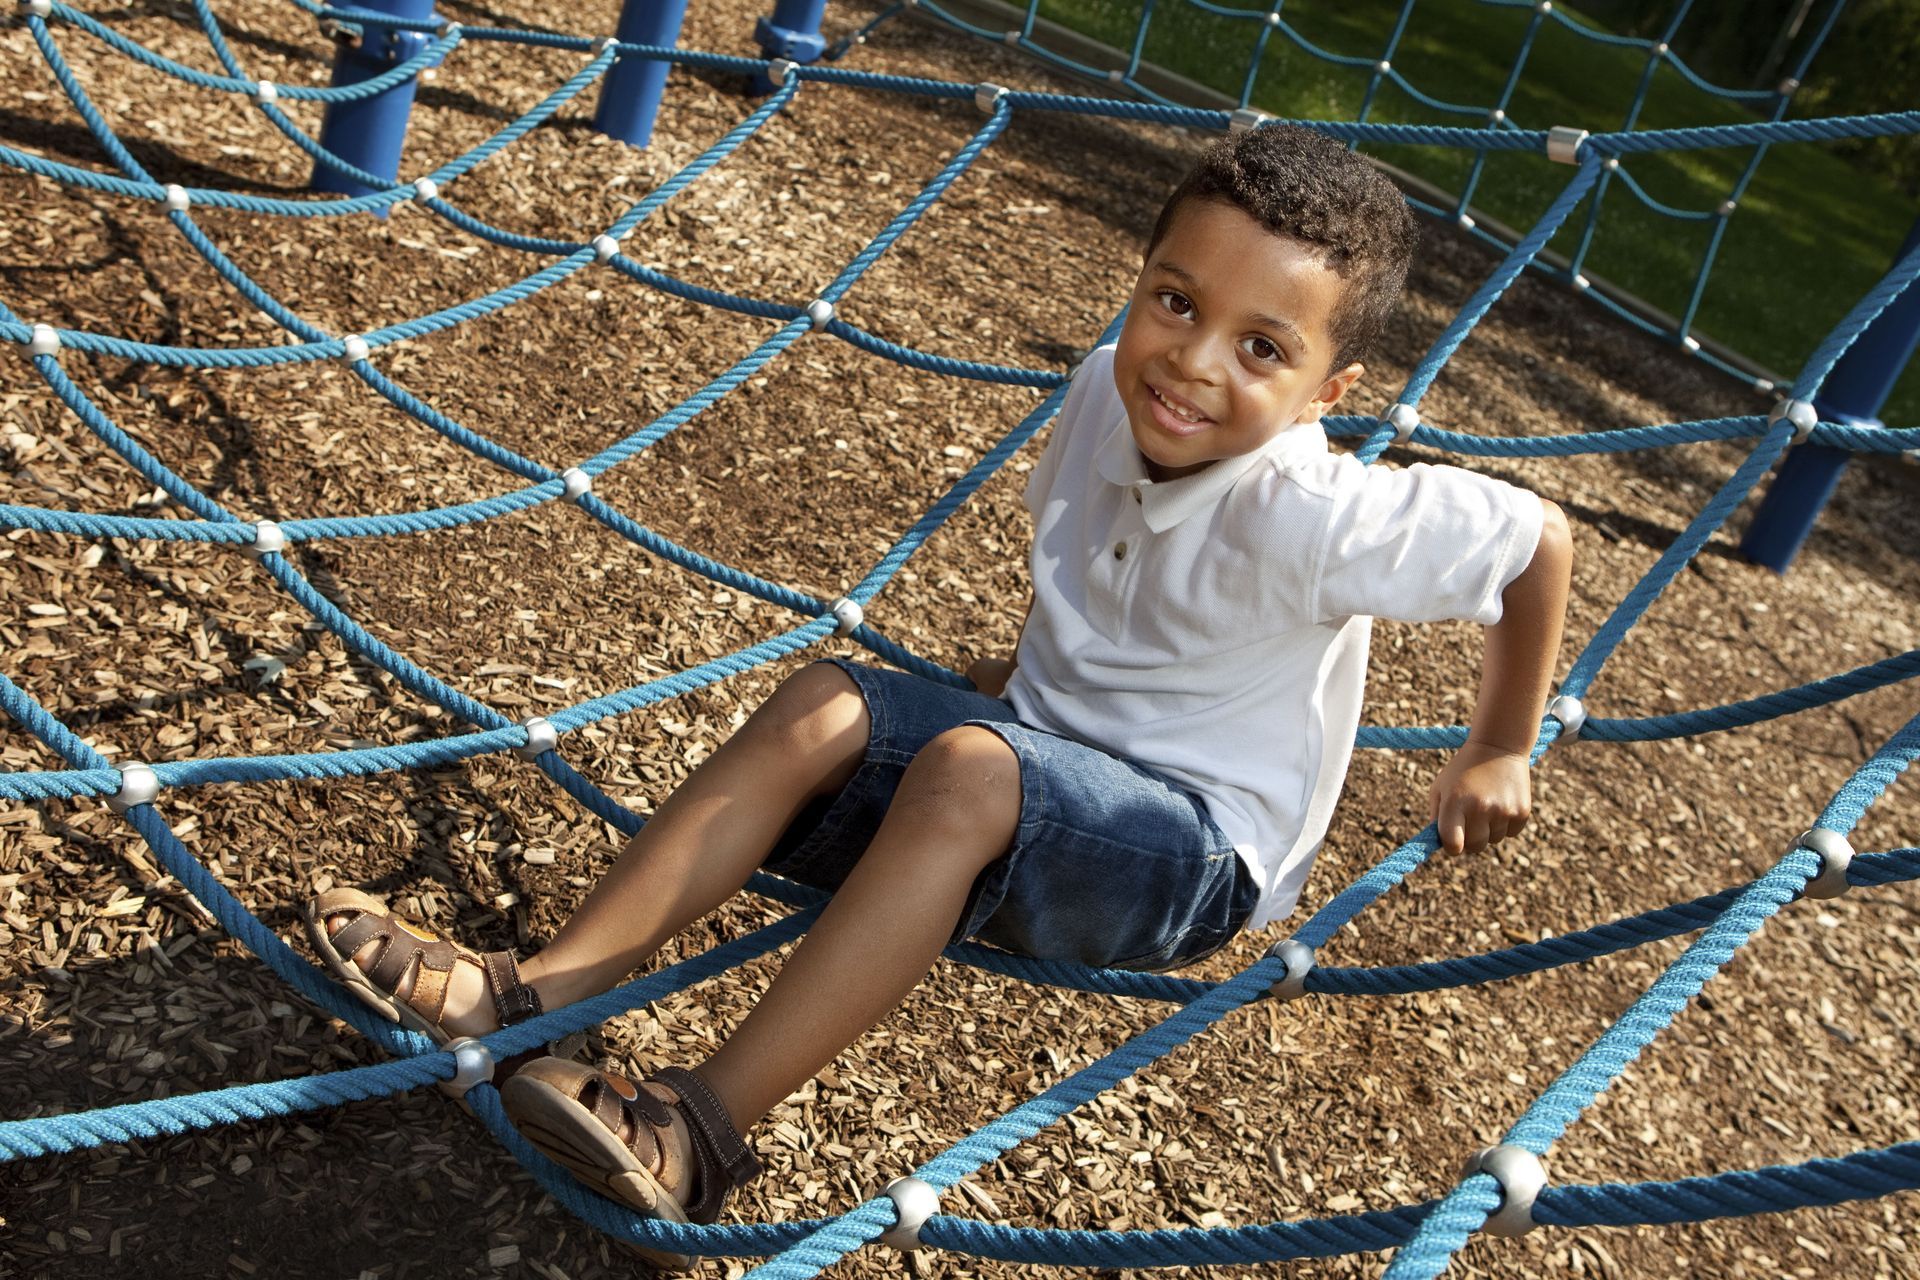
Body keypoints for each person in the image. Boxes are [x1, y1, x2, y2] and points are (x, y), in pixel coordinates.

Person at [303, 122, 1572, 1261]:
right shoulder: (1100, 388)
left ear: (1326, 395)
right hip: (1036, 758)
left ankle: (701, 1127)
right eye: (1174, 302)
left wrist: (1500, 745)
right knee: (829, 699)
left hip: (1191, 850)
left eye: (1261, 346)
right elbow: (1089, 563)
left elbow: (1534, 543)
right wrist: (1027, 676)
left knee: (968, 769)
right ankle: (533, 990)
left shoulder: (1314, 508)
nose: (1192, 362)